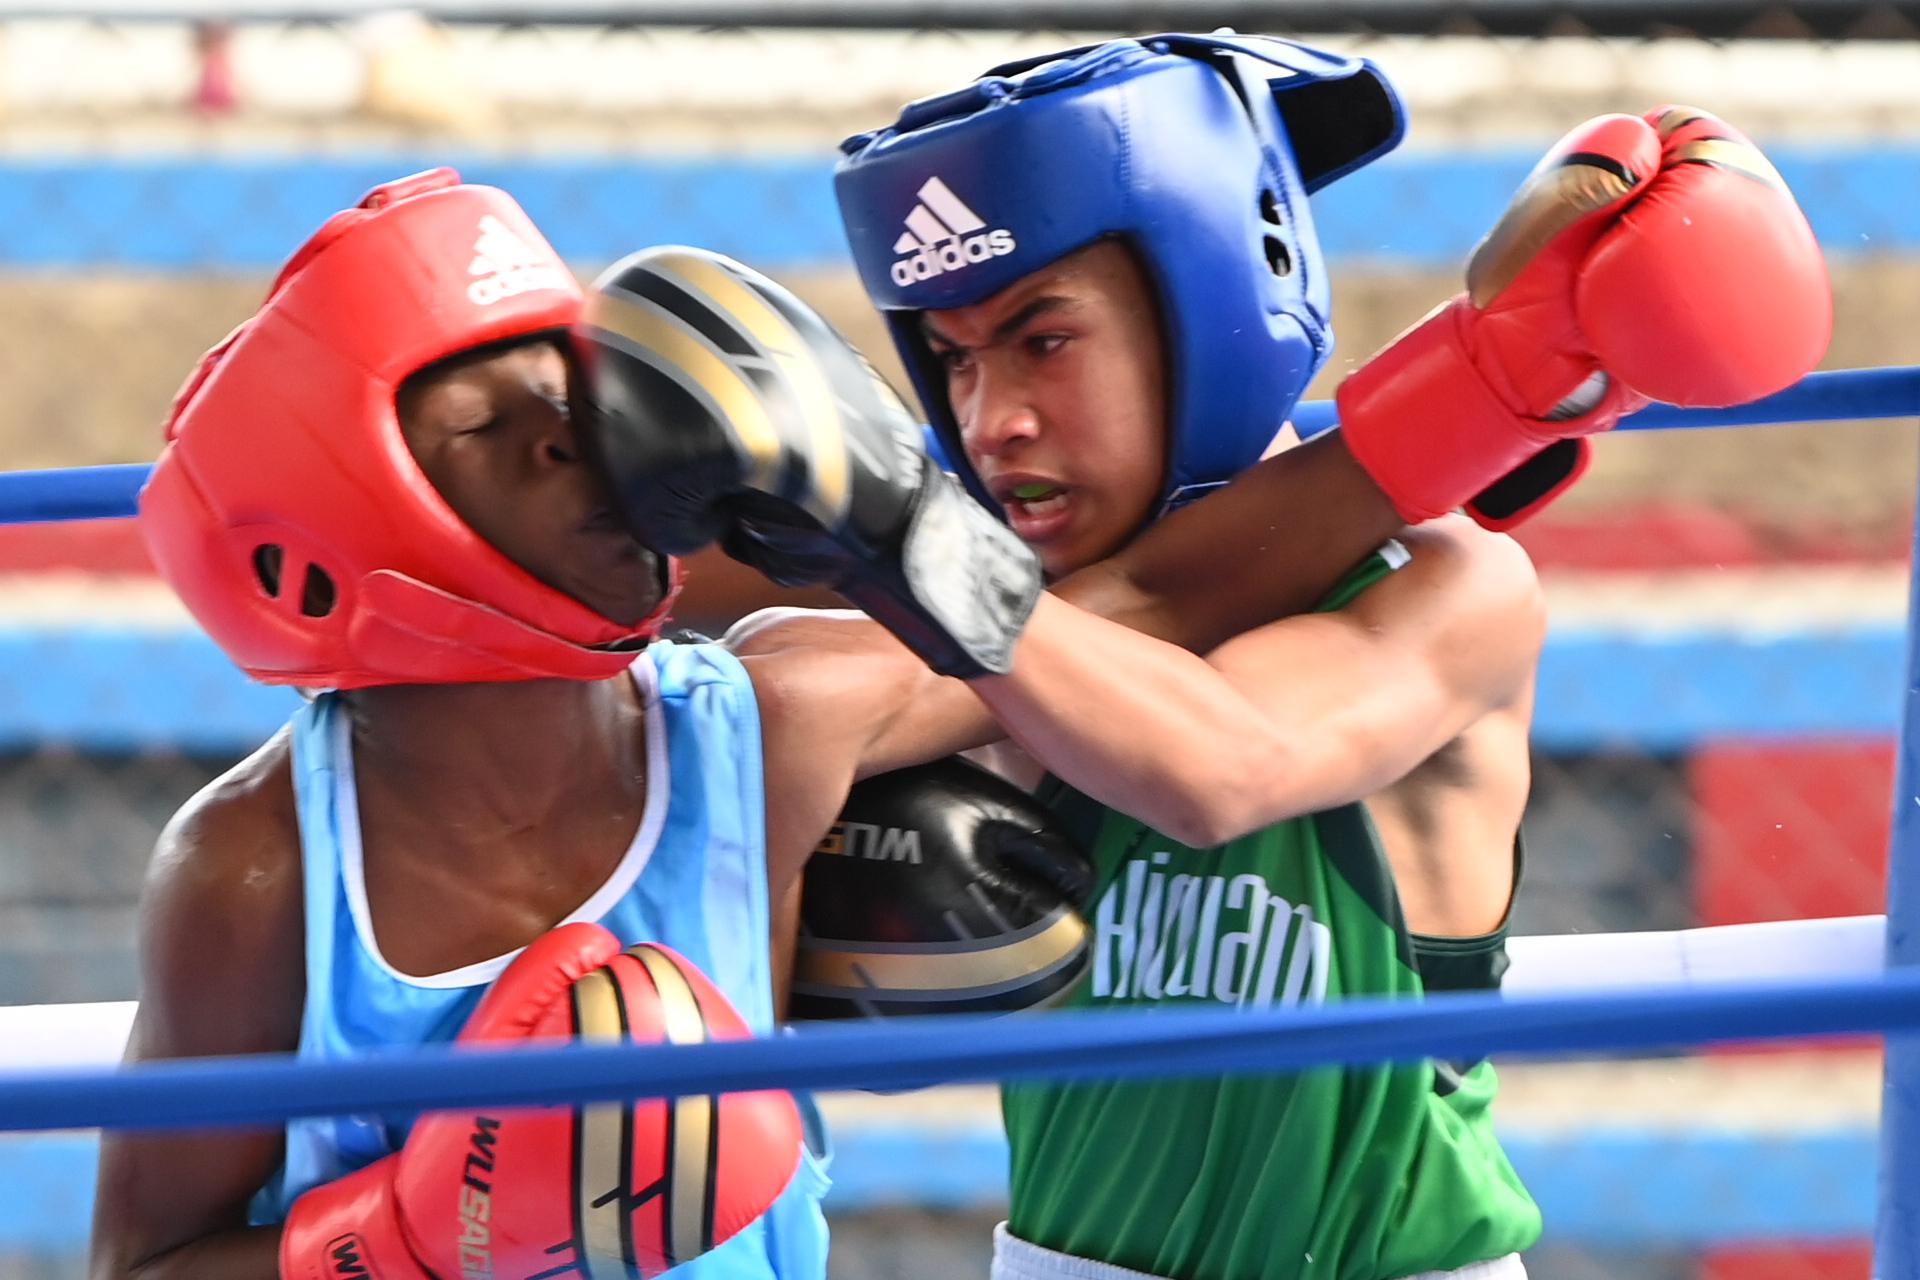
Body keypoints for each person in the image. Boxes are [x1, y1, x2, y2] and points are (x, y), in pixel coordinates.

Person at [90, 159, 1540, 1280]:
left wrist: (1512, 375)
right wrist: (398, 1242)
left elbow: (1144, 593)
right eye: (490, 428)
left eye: (576, 399)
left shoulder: (764, 728)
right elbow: (141, 1262)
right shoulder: (262, 868)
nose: (579, 440)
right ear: (353, 515)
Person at [576, 32, 1830, 1280]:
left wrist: (906, 542)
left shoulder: (1446, 583)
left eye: (1043, 340)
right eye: (954, 359)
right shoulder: (1001, 602)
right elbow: (786, 694)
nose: (991, 419)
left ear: (1213, 306)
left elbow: (1228, 761)